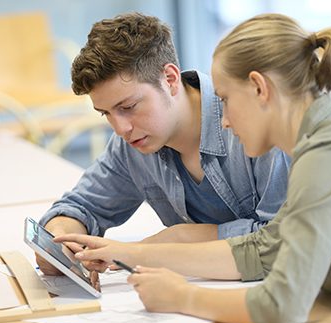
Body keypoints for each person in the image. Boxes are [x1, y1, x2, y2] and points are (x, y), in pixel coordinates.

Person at [53, 13, 331, 323]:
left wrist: (181, 297)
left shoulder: (328, 152)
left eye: (226, 99)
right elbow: (267, 247)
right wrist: (132, 253)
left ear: (259, 88)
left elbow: (280, 306)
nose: (223, 118)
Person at [36, 13, 290, 274]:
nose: (121, 128)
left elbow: (285, 242)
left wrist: (174, 242)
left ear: (169, 79)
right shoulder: (131, 142)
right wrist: (59, 242)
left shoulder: (255, 121)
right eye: (106, 113)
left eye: (128, 106)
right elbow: (80, 207)